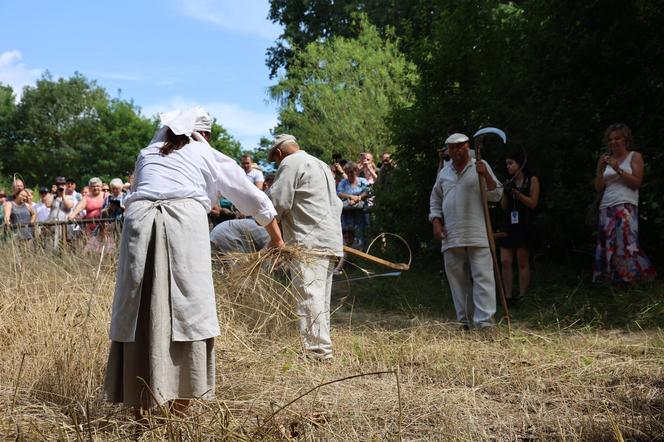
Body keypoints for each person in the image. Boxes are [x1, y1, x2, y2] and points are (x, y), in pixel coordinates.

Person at [102, 107, 284, 418]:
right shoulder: (205, 152)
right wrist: (278, 240)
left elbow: (140, 190)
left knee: (139, 312)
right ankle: (177, 415)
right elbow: (250, 197)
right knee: (187, 310)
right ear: (203, 134)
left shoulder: (147, 152)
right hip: (182, 223)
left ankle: (141, 419)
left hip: (139, 222)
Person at [266, 134, 343, 360]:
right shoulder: (320, 164)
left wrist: (272, 236)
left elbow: (277, 203)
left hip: (307, 242)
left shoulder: (291, 163)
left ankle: (317, 353)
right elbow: (336, 204)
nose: (276, 164)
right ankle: (322, 349)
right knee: (320, 300)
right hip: (329, 241)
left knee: (309, 298)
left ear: (279, 153)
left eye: (274, 160)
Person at [429, 133, 503, 329]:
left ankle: (485, 322)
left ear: (467, 147)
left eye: (460, 147)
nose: (456, 151)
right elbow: (435, 200)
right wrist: (436, 222)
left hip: (477, 232)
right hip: (451, 234)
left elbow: (497, 194)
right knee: (458, 280)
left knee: (483, 277)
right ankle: (465, 321)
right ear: (448, 150)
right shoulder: (444, 172)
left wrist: (485, 174)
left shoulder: (479, 165)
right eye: (452, 148)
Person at [593, 123, 655, 283]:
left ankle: (636, 279)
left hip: (626, 205)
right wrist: (600, 171)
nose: (613, 142)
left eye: (617, 138)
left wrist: (618, 168)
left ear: (625, 140)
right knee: (608, 244)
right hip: (606, 206)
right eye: (610, 139)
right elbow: (598, 187)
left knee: (627, 244)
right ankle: (612, 281)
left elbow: (636, 182)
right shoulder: (607, 160)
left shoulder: (634, 156)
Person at [499, 150, 540, 304]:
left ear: (520, 164)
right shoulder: (508, 182)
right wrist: (505, 191)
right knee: (505, 260)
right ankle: (508, 297)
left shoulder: (532, 180)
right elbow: (503, 207)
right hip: (509, 223)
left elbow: (533, 203)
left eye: (511, 163)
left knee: (522, 260)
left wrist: (517, 193)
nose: (508, 167)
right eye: (507, 164)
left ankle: (522, 296)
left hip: (524, 223)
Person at [336, 161, 371, 249]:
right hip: (346, 214)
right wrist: (350, 196)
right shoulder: (343, 182)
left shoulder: (362, 181)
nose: (349, 174)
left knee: (360, 233)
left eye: (351, 172)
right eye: (347, 172)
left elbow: (368, 191)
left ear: (356, 171)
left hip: (360, 213)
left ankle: (361, 254)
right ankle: (346, 255)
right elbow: (339, 193)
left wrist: (358, 198)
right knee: (346, 234)